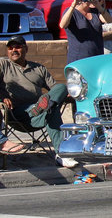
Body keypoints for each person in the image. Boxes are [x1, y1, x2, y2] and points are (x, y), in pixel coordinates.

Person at [0, 36, 78, 167]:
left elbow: (55, 89)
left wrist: (66, 95)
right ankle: (62, 154)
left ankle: (43, 105)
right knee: (52, 110)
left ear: (26, 48)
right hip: (18, 114)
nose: (14, 50)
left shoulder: (38, 68)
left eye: (18, 47)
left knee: (62, 88)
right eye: (10, 48)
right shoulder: (3, 64)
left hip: (39, 114)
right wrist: (2, 97)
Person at [59, 0, 109, 64]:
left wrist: (98, 5)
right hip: (78, 60)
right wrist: (73, 5)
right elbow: (62, 25)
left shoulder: (95, 11)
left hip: (97, 59)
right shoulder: (72, 12)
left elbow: (108, 20)